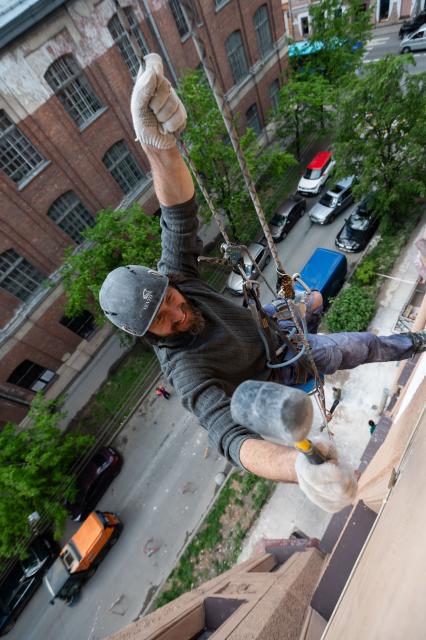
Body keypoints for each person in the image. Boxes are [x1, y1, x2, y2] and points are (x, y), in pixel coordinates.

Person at [99, 54, 426, 512]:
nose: (177, 312)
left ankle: (312, 316)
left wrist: (160, 149)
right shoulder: (186, 371)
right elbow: (232, 438)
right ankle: (414, 342)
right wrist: (298, 468)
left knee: (312, 297)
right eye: (164, 322)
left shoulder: (175, 277)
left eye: (171, 300)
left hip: (268, 323)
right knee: (357, 347)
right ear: (147, 337)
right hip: (281, 367)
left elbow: (177, 213)